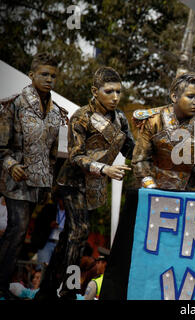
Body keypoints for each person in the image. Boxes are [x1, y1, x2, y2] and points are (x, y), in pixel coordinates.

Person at [35, 66, 135, 300]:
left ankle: (46, 290)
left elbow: (132, 150)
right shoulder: (81, 116)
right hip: (72, 183)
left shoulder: (120, 118)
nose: (116, 97)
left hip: (94, 186)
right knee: (80, 233)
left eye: (119, 92)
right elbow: (75, 156)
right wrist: (105, 168)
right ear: (94, 91)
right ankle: (69, 290)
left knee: (68, 239)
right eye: (109, 91)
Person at [0, 52, 68, 300]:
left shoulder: (56, 112)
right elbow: (1, 146)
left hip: (37, 183)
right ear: (31, 76)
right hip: (14, 178)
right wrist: (9, 164)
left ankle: (4, 282)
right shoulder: (14, 104)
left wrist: (48, 183)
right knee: (17, 227)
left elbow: (52, 153)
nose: (50, 79)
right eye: (44, 74)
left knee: (20, 230)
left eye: (53, 75)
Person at [131, 72, 195, 192]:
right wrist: (151, 187)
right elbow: (140, 159)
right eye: (191, 96)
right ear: (174, 97)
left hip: (190, 196)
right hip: (153, 191)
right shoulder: (154, 121)